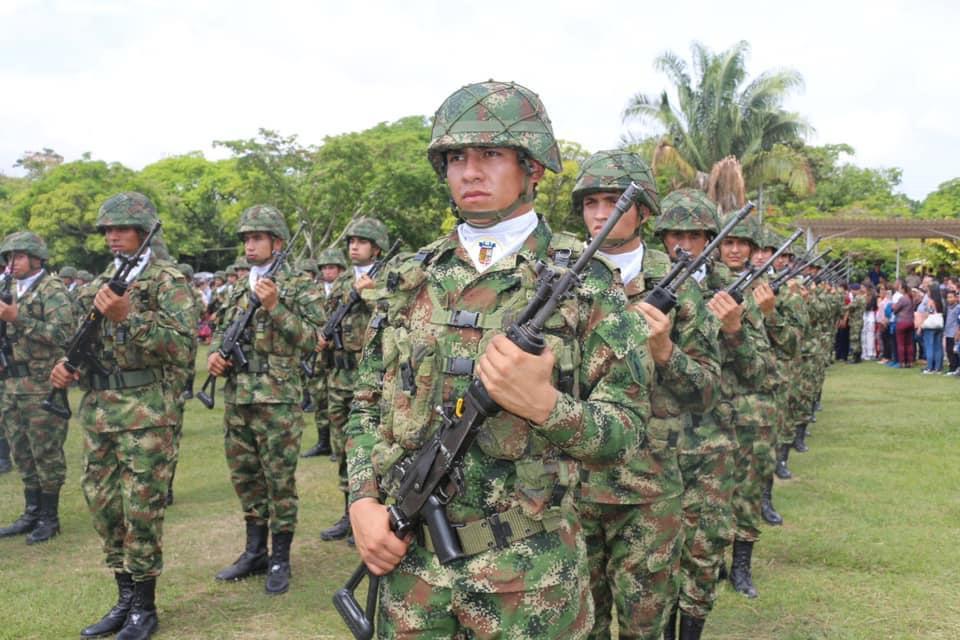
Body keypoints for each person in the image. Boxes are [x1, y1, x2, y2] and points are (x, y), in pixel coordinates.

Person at [346, 80, 652, 639]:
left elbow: (626, 434)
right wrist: (363, 502)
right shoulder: (410, 278)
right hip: (409, 567)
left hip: (530, 575)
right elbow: (366, 405)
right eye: (456, 157)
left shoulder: (588, 286)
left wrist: (545, 405)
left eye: (490, 154)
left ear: (532, 168)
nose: (470, 171)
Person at [50, 192, 195, 640]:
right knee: (105, 506)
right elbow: (85, 340)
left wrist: (128, 316)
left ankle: (144, 608)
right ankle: (124, 598)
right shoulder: (102, 280)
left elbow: (184, 347)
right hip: (100, 413)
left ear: (144, 229)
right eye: (107, 229)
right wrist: (67, 366)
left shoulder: (168, 279)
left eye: (122, 228)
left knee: (142, 510)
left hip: (147, 413)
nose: (113, 235)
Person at [207, 205, 323, 595]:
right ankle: (255, 551)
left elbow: (313, 340)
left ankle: (280, 557)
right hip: (238, 398)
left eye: (257, 238)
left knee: (279, 481)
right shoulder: (238, 286)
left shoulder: (299, 285)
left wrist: (275, 308)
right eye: (246, 239)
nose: (249, 245)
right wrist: (214, 355)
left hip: (278, 399)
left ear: (276, 242)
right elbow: (220, 329)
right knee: (246, 478)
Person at [714, 213, 779, 600]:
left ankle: (741, 566)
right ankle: (714, 562)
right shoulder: (698, 286)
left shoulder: (763, 292)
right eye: (728, 242)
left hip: (752, 409)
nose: (735, 249)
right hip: (707, 409)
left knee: (747, 491)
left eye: (743, 243)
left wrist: (769, 314)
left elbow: (781, 352)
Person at [317, 217, 390, 544]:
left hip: (372, 375)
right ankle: (349, 513)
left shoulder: (388, 276)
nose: (354, 246)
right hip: (339, 372)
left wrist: (370, 294)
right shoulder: (343, 279)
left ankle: (375, 510)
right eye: (351, 241)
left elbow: (397, 312)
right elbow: (326, 318)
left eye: (362, 241)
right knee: (341, 443)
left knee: (373, 444)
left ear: (376, 247)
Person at [0, 232, 75, 543]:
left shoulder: (52, 290)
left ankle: (49, 516)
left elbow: (63, 334)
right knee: (21, 451)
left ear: (36, 258)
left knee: (46, 452)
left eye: (18, 256)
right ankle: (31, 511)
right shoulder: (10, 288)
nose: (11, 263)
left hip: (42, 384)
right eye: (8, 257)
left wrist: (19, 319)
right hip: (13, 384)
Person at [300, 248, 347, 459]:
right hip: (317, 355)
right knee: (319, 398)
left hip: (339, 355)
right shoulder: (313, 290)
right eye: (325, 268)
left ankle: (342, 444)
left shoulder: (346, 288)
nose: (328, 271)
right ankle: (323, 441)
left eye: (332, 267)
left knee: (342, 401)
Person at [917, 280, 944, 374]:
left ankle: (929, 367)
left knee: (929, 346)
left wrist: (920, 325)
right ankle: (938, 368)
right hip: (939, 325)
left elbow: (927, 314)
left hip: (930, 326)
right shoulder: (941, 301)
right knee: (938, 347)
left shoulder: (930, 301)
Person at [893, 280, 916, 368]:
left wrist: (893, 307)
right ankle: (910, 362)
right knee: (909, 343)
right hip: (911, 322)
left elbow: (895, 309)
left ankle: (902, 362)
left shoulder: (902, 298)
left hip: (902, 322)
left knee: (901, 343)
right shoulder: (911, 298)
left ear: (903, 289)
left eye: (899, 288)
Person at [944, 289, 959, 375]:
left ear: (956, 298)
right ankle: (952, 368)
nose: (949, 299)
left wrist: (957, 333)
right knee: (949, 351)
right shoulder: (948, 308)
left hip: (954, 333)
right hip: (948, 333)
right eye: (948, 297)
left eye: (951, 297)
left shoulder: (958, 308)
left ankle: (954, 368)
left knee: (954, 352)